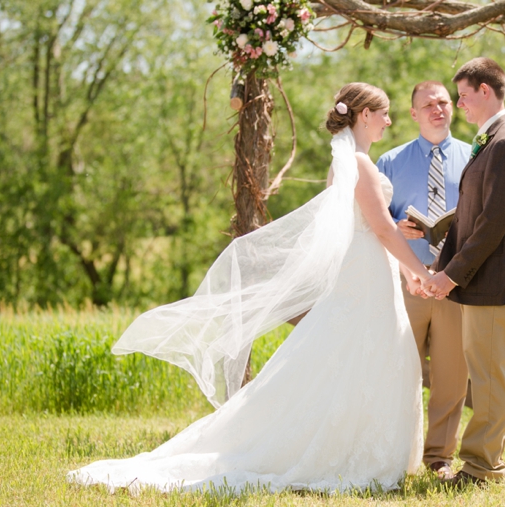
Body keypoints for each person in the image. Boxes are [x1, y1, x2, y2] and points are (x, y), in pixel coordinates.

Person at [68, 83, 433, 495]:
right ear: (364, 115)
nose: (388, 120)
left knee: (350, 355)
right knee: (366, 353)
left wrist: (400, 253)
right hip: (366, 274)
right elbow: (380, 228)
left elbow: (368, 223)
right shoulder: (361, 165)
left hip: (363, 269)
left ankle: (353, 443)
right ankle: (352, 452)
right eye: (383, 113)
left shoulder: (346, 163)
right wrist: (420, 269)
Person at [424, 58, 505, 486]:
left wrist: (450, 275)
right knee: (485, 371)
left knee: (490, 377)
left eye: (463, 95)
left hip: (495, 281)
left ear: (486, 91)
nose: (459, 104)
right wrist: (442, 268)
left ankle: (481, 469)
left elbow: (492, 225)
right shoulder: (491, 140)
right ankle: (480, 464)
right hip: (480, 281)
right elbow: (469, 216)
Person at [376, 81, 471, 480]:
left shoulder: (475, 156)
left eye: (444, 102)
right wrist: (398, 226)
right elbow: (372, 222)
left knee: (451, 375)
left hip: (455, 284)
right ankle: (395, 453)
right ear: (413, 113)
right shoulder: (390, 161)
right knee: (398, 371)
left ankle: (439, 458)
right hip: (407, 283)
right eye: (428, 104)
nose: (438, 109)